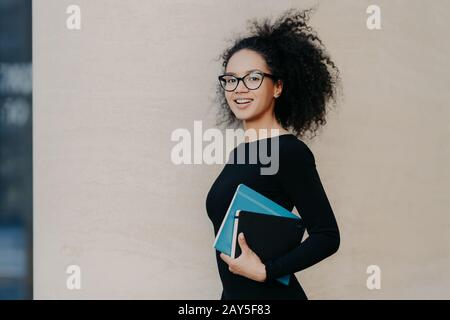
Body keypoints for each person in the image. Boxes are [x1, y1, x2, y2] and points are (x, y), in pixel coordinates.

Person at [206, 8, 341, 300]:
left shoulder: (289, 152)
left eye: (253, 78)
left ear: (277, 86)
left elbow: (327, 235)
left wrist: (267, 271)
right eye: (231, 79)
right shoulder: (241, 152)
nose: (239, 89)